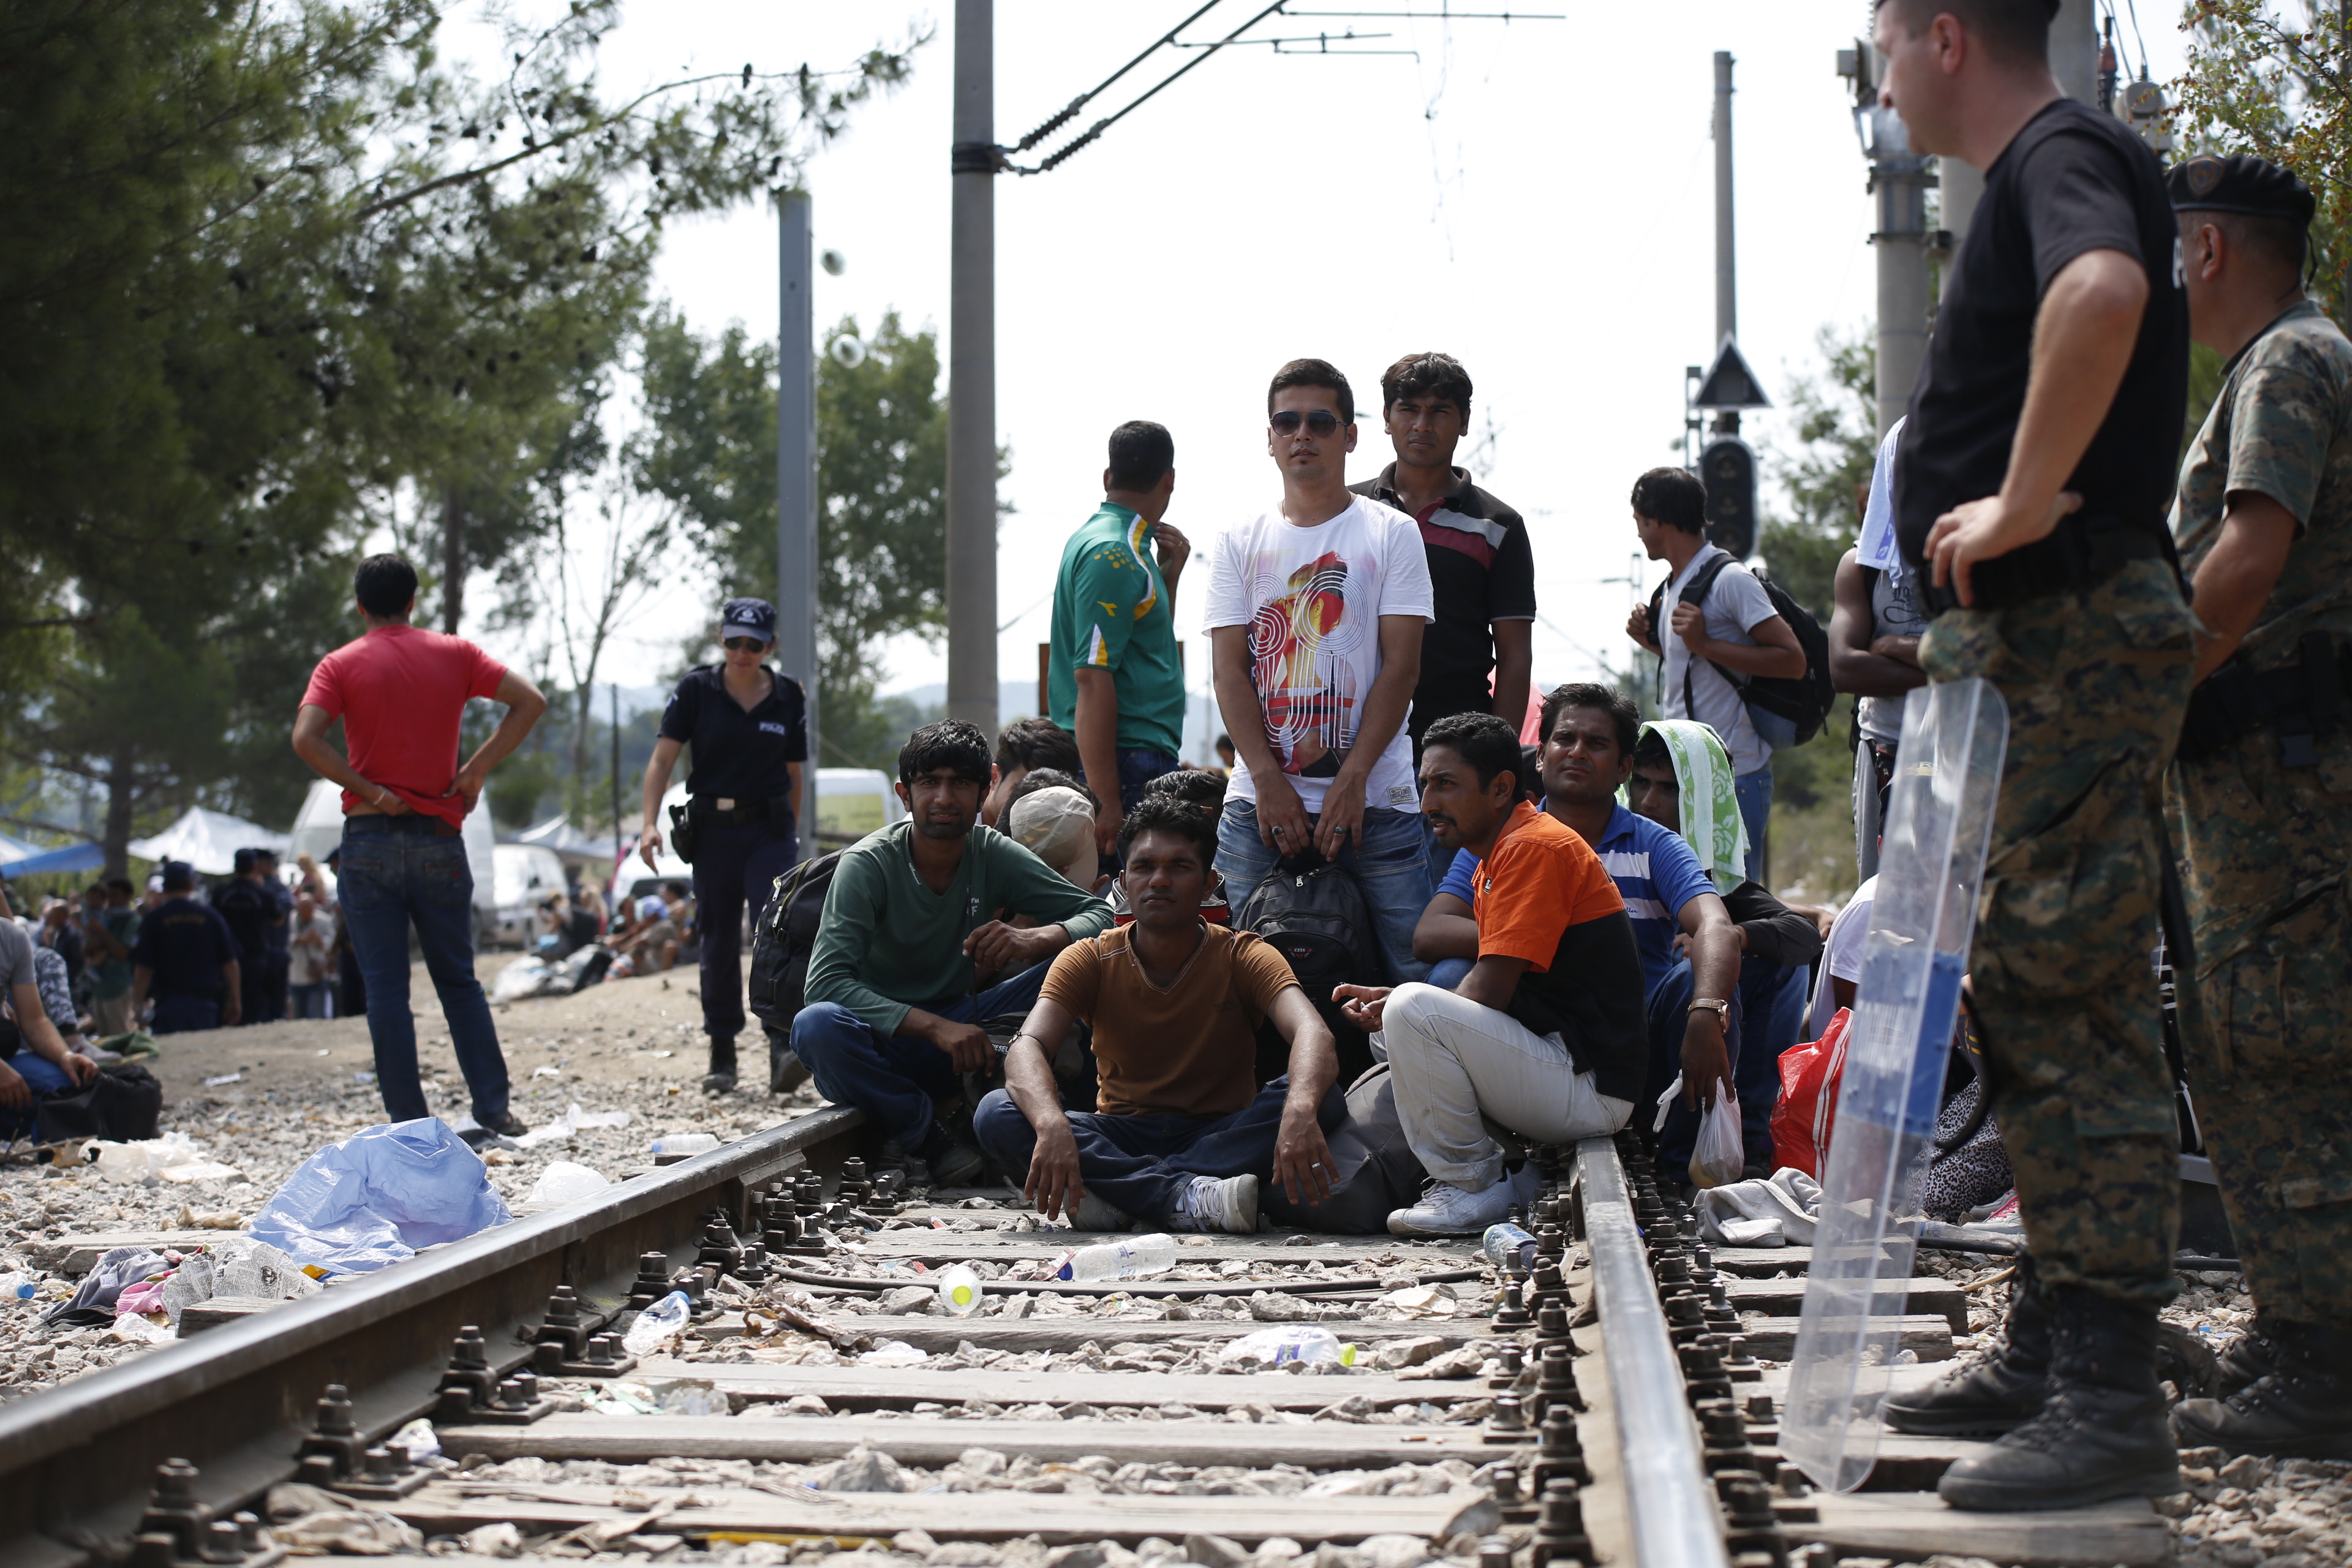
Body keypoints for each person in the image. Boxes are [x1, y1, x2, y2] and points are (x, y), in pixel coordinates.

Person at [1866, 0, 2194, 1512]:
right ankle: (2059, 1338)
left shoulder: (2060, 150)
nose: (1875, 78)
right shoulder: (2029, 173)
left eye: (1878, 43)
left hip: (2060, 630)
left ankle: (2109, 1390)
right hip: (2032, 647)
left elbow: (2107, 289)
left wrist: (2013, 500)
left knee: (2070, 995)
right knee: (2029, 989)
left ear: (1942, 33)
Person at [2155, 154, 2352, 1459]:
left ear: (2210, 248)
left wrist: (2127, 685)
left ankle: (2327, 1356)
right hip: (2259, 776)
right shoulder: (2280, 359)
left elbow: (2250, 554)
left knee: (2288, 1049)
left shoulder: (2289, 362)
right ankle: (2298, 1321)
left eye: (2170, 248)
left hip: (2286, 783)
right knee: (2250, 1042)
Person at [1335, 712, 1645, 1235]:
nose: (1430, 803)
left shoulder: (1533, 847)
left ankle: (1471, 1186)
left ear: (1501, 788)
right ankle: (1510, 1172)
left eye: (1447, 785)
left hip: (1591, 1086)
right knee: (1398, 1033)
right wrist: (1398, 1007)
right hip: (1565, 1065)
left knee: (1413, 1014)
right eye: (1426, 785)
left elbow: (1492, 991)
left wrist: (1405, 1006)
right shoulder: (1501, 850)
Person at [974, 794, 1343, 1234]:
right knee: (997, 1112)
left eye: (1179, 867)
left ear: (1208, 883)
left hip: (1218, 1135)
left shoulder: (1244, 953)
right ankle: (1187, 1196)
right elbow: (1027, 1047)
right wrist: (1052, 1125)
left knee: (1324, 1097)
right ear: (1125, 883)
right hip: (1120, 1133)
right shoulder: (1088, 958)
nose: (1160, 881)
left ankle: (1128, 1194)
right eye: (1145, 867)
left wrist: (1301, 1109)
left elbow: (1313, 1034)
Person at [1420, 684, 1742, 1174]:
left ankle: (1681, 1165)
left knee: (1702, 988)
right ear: (1541, 756)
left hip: (1633, 1033)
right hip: (1535, 1023)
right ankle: (1493, 1160)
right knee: (1448, 977)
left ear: (1623, 768)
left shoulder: (1655, 845)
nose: (1576, 752)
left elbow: (1716, 924)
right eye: (1564, 739)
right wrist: (1534, 937)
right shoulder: (1498, 836)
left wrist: (1707, 1010)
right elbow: (1431, 931)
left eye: (1597, 744)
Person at [791, 720, 1115, 1183]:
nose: (944, 798)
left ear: (985, 790)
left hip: (969, 1029)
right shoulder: (869, 864)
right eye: (930, 783)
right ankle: (929, 1138)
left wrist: (1034, 938)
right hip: (882, 1040)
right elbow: (825, 984)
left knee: (1082, 963)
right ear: (906, 795)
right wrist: (937, 1028)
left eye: (960, 783)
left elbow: (1102, 917)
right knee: (816, 1025)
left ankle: (1092, 1113)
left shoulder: (990, 853)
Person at [292, 552, 548, 1136]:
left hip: (369, 840)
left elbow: (306, 738)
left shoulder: (339, 664)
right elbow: (530, 701)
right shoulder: (454, 654)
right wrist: (476, 769)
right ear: (413, 600)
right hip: (439, 838)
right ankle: (493, 1110)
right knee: (459, 980)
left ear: (360, 606)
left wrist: (370, 792)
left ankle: (408, 1122)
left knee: (386, 991)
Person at [1204, 358, 1436, 982]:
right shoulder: (1236, 539)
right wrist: (1267, 779)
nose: (1302, 433)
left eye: (1320, 421)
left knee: (1416, 978)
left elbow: (1401, 668)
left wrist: (1352, 778)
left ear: (1350, 435)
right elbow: (1229, 672)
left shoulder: (1394, 534)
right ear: (1270, 438)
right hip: (1259, 801)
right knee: (1221, 978)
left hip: (1378, 801)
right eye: (1287, 421)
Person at [1349, 353, 1536, 883]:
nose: (1422, 425)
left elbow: (1515, 655)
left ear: (1465, 421)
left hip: (1453, 756)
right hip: (1351, 746)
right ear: (1385, 419)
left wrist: (1496, 758)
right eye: (1408, 409)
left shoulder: (1498, 524)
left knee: (1444, 916)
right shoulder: (1348, 511)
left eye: (1440, 411)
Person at [1625, 722, 1823, 1176]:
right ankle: (1680, 1159)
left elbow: (1802, 936)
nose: (1650, 803)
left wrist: (1729, 938)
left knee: (1775, 959)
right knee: (1705, 972)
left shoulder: (1715, 884)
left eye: (1670, 790)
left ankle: (1746, 1146)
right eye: (1642, 784)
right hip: (1623, 1050)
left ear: (1703, 802)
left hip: (1695, 1049)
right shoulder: (1617, 853)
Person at [637, 597, 807, 1095]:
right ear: (721, 639)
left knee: (775, 931)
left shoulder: (788, 697)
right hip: (712, 831)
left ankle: (782, 1043)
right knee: (715, 939)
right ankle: (723, 1052)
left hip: (768, 830)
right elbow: (662, 760)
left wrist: (791, 831)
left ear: (770, 646)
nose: (742, 652)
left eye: (754, 644)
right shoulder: (696, 690)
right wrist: (648, 824)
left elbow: (795, 772)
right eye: (734, 641)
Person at [1623, 467, 1807, 883]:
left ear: (1656, 518)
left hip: (1733, 775)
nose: (1638, 534)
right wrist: (1654, 644)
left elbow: (1792, 659)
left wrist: (1705, 644)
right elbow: (1701, 668)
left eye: (1638, 522)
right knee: (1691, 899)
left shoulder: (1729, 580)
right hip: (1689, 772)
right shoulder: (1674, 585)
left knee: (1737, 901)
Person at [1049, 421, 1190, 857]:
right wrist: (1107, 799)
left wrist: (1172, 573)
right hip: (1125, 760)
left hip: (1127, 758)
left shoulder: (1117, 545)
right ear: (1169, 480)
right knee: (1126, 912)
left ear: (1108, 478)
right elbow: (1092, 678)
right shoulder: (1114, 553)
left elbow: (1143, 644)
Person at [1831, 420, 1931, 878]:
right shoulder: (1860, 567)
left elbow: (1998, 657)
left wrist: (1893, 647)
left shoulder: (1976, 555)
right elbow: (1846, 669)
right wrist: (1946, 660)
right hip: (1886, 747)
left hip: (1963, 742)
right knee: (1882, 895)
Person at [0, 878, 99, 1131]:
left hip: (8, 1054)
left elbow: (34, 1020)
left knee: (70, 1087)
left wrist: (65, 1055)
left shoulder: (11, 938)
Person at [129, 862, 242, 1034]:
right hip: (206, 1003)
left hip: (169, 1004)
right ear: (191, 886)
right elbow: (230, 963)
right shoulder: (211, 917)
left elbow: (144, 967)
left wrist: (137, 1005)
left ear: (165, 888)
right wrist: (235, 999)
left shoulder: (154, 920)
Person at [211, 849, 281, 1026]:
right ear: (255, 867)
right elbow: (278, 919)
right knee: (253, 1007)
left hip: (225, 957)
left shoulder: (221, 893)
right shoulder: (264, 894)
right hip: (255, 956)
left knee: (225, 1005)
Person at [981, 719, 1083, 831]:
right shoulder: (961, 830)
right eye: (1022, 792)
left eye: (1051, 798)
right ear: (994, 777)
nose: (1034, 808)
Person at [80, 878, 139, 1037]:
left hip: (118, 986)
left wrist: (103, 934)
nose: (112, 900)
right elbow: (87, 949)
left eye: (116, 896)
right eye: (109, 896)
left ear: (128, 897)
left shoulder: (132, 920)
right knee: (104, 1036)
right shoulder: (104, 916)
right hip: (100, 987)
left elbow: (123, 953)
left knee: (119, 1034)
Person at [287, 888, 336, 1019]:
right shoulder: (290, 920)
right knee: (298, 1017)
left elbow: (331, 943)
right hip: (296, 975)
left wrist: (317, 940)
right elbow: (282, 941)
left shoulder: (324, 920)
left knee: (318, 1016)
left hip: (317, 975)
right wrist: (299, 939)